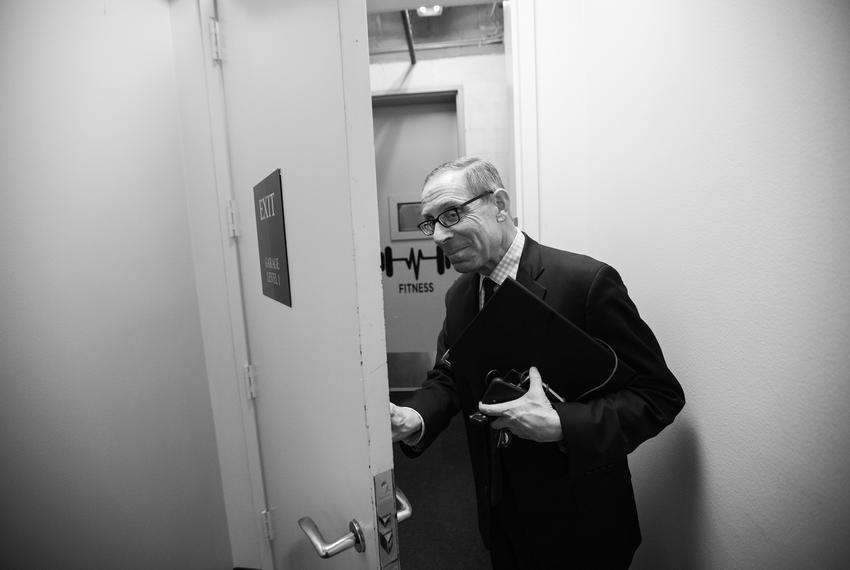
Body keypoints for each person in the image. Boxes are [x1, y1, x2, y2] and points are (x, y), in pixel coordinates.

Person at [390, 157, 685, 569]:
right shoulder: (459, 295)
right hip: (500, 515)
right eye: (430, 222)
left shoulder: (586, 283)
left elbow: (658, 396)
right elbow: (453, 372)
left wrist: (562, 425)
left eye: (452, 214)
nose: (438, 234)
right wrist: (412, 416)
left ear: (499, 203)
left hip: (581, 527)